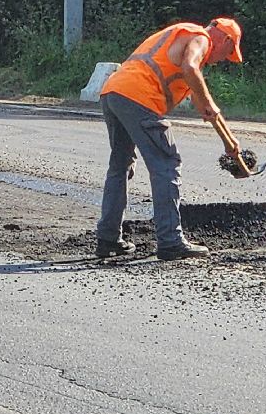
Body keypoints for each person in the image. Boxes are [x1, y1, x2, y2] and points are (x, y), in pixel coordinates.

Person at [96, 18, 245, 261]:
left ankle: (108, 239)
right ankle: (171, 241)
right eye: (227, 53)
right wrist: (209, 103)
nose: (221, 60)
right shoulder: (201, 38)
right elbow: (190, 68)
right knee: (166, 164)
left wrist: (230, 143)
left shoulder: (180, 35)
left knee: (120, 165)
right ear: (226, 39)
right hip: (139, 97)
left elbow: (201, 103)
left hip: (114, 92)